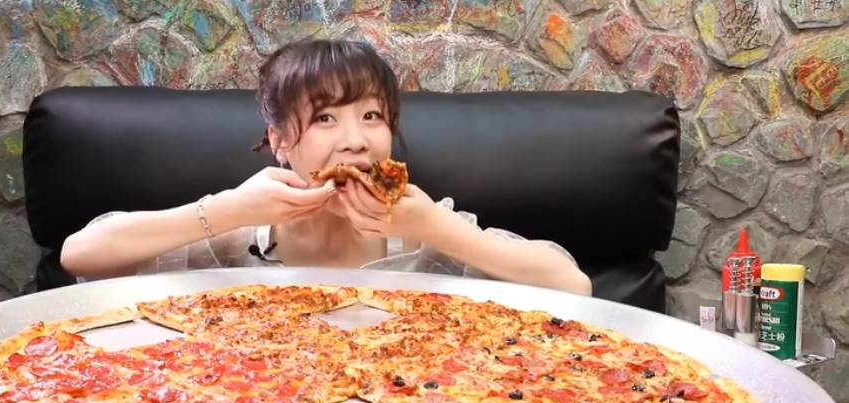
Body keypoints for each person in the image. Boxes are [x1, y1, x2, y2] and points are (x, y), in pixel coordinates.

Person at [60, 39, 592, 296]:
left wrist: (435, 226)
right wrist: (225, 211)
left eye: (371, 117)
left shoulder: (426, 231)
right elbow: (80, 255)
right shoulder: (236, 234)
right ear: (279, 142)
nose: (355, 141)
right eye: (325, 119)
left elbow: (572, 286)